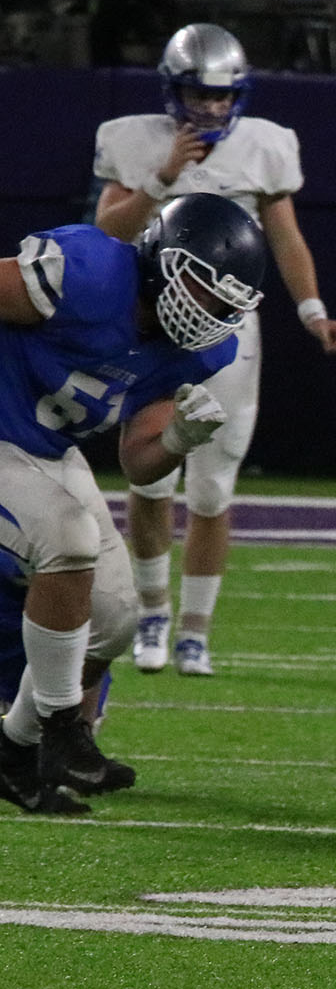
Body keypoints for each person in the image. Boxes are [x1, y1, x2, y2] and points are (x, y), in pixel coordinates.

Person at [91, 22, 336, 677]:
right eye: (198, 94)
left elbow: (285, 240)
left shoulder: (265, 146)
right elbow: (106, 231)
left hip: (229, 332)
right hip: (151, 330)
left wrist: (311, 309)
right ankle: (151, 610)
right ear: (172, 90)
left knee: (213, 490)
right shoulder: (135, 139)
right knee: (151, 478)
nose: (210, 108)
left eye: (221, 95)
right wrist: (162, 176)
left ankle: (195, 629)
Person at [0, 193, 268, 813]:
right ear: (161, 258)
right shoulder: (89, 270)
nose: (210, 312)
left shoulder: (202, 350)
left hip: (42, 447)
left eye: (226, 302)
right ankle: (66, 730)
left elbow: (138, 460)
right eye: (202, 289)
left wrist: (178, 438)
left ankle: (14, 749)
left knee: (116, 618)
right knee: (66, 538)